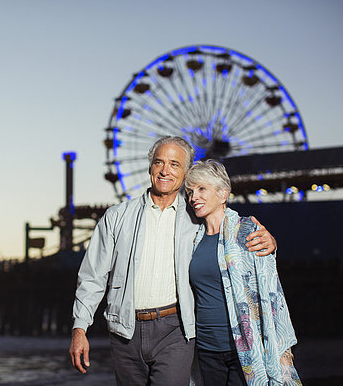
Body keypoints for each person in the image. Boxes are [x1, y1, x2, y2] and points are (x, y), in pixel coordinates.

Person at [69, 136, 277, 386]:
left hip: (176, 330)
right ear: (150, 168)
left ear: (187, 171)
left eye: (174, 164)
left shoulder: (197, 217)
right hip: (124, 331)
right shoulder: (117, 217)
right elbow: (93, 276)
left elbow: (229, 231)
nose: (165, 170)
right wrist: (80, 329)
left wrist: (268, 241)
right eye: (159, 162)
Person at [185, 159, 301, 386]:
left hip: (245, 347)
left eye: (201, 189)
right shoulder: (192, 238)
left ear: (222, 194)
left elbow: (271, 289)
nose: (193, 197)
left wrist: (272, 244)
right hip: (206, 349)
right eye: (190, 192)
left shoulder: (247, 230)